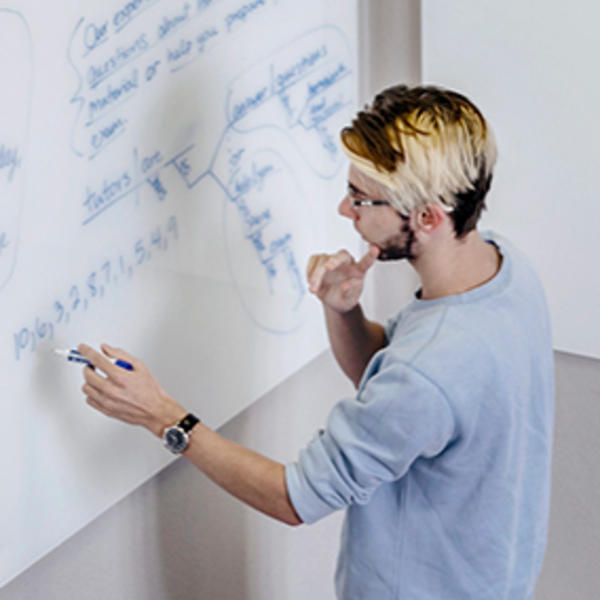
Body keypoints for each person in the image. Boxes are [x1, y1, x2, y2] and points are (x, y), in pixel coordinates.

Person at [78, 85, 554, 599]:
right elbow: (391, 381)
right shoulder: (506, 270)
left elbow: (293, 498)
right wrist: (341, 310)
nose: (345, 209)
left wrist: (162, 416)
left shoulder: (429, 369)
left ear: (428, 217)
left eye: (361, 197)